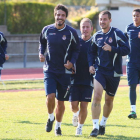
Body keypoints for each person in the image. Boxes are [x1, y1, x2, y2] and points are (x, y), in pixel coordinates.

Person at [39, 4, 80, 136]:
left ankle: (58, 126)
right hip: (49, 69)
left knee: (60, 101)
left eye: (62, 15)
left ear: (65, 17)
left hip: (64, 72)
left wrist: (72, 63)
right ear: (54, 15)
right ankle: (51, 117)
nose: (60, 17)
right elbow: (42, 42)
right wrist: (41, 53)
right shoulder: (47, 29)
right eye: (58, 14)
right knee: (50, 96)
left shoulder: (71, 32)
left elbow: (76, 49)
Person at [88, 10, 130, 137]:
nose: (102, 21)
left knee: (109, 99)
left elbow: (127, 49)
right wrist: (91, 64)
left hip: (114, 73)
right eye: (101, 19)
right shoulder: (96, 36)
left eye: (105, 19)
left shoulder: (117, 34)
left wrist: (112, 48)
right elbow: (91, 52)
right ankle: (95, 127)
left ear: (110, 20)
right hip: (100, 71)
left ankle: (103, 124)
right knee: (97, 96)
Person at [69, 18, 94, 135]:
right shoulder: (75, 43)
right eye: (83, 27)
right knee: (74, 106)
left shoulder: (94, 43)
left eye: (87, 27)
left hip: (88, 79)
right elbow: (69, 57)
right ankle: (75, 114)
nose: (85, 29)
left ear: (91, 28)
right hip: (74, 78)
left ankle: (80, 127)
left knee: (84, 105)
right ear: (80, 29)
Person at [125, 9, 140, 119]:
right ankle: (133, 111)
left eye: (138, 16)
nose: (135, 17)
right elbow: (124, 42)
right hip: (131, 63)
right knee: (132, 86)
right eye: (134, 15)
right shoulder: (128, 28)